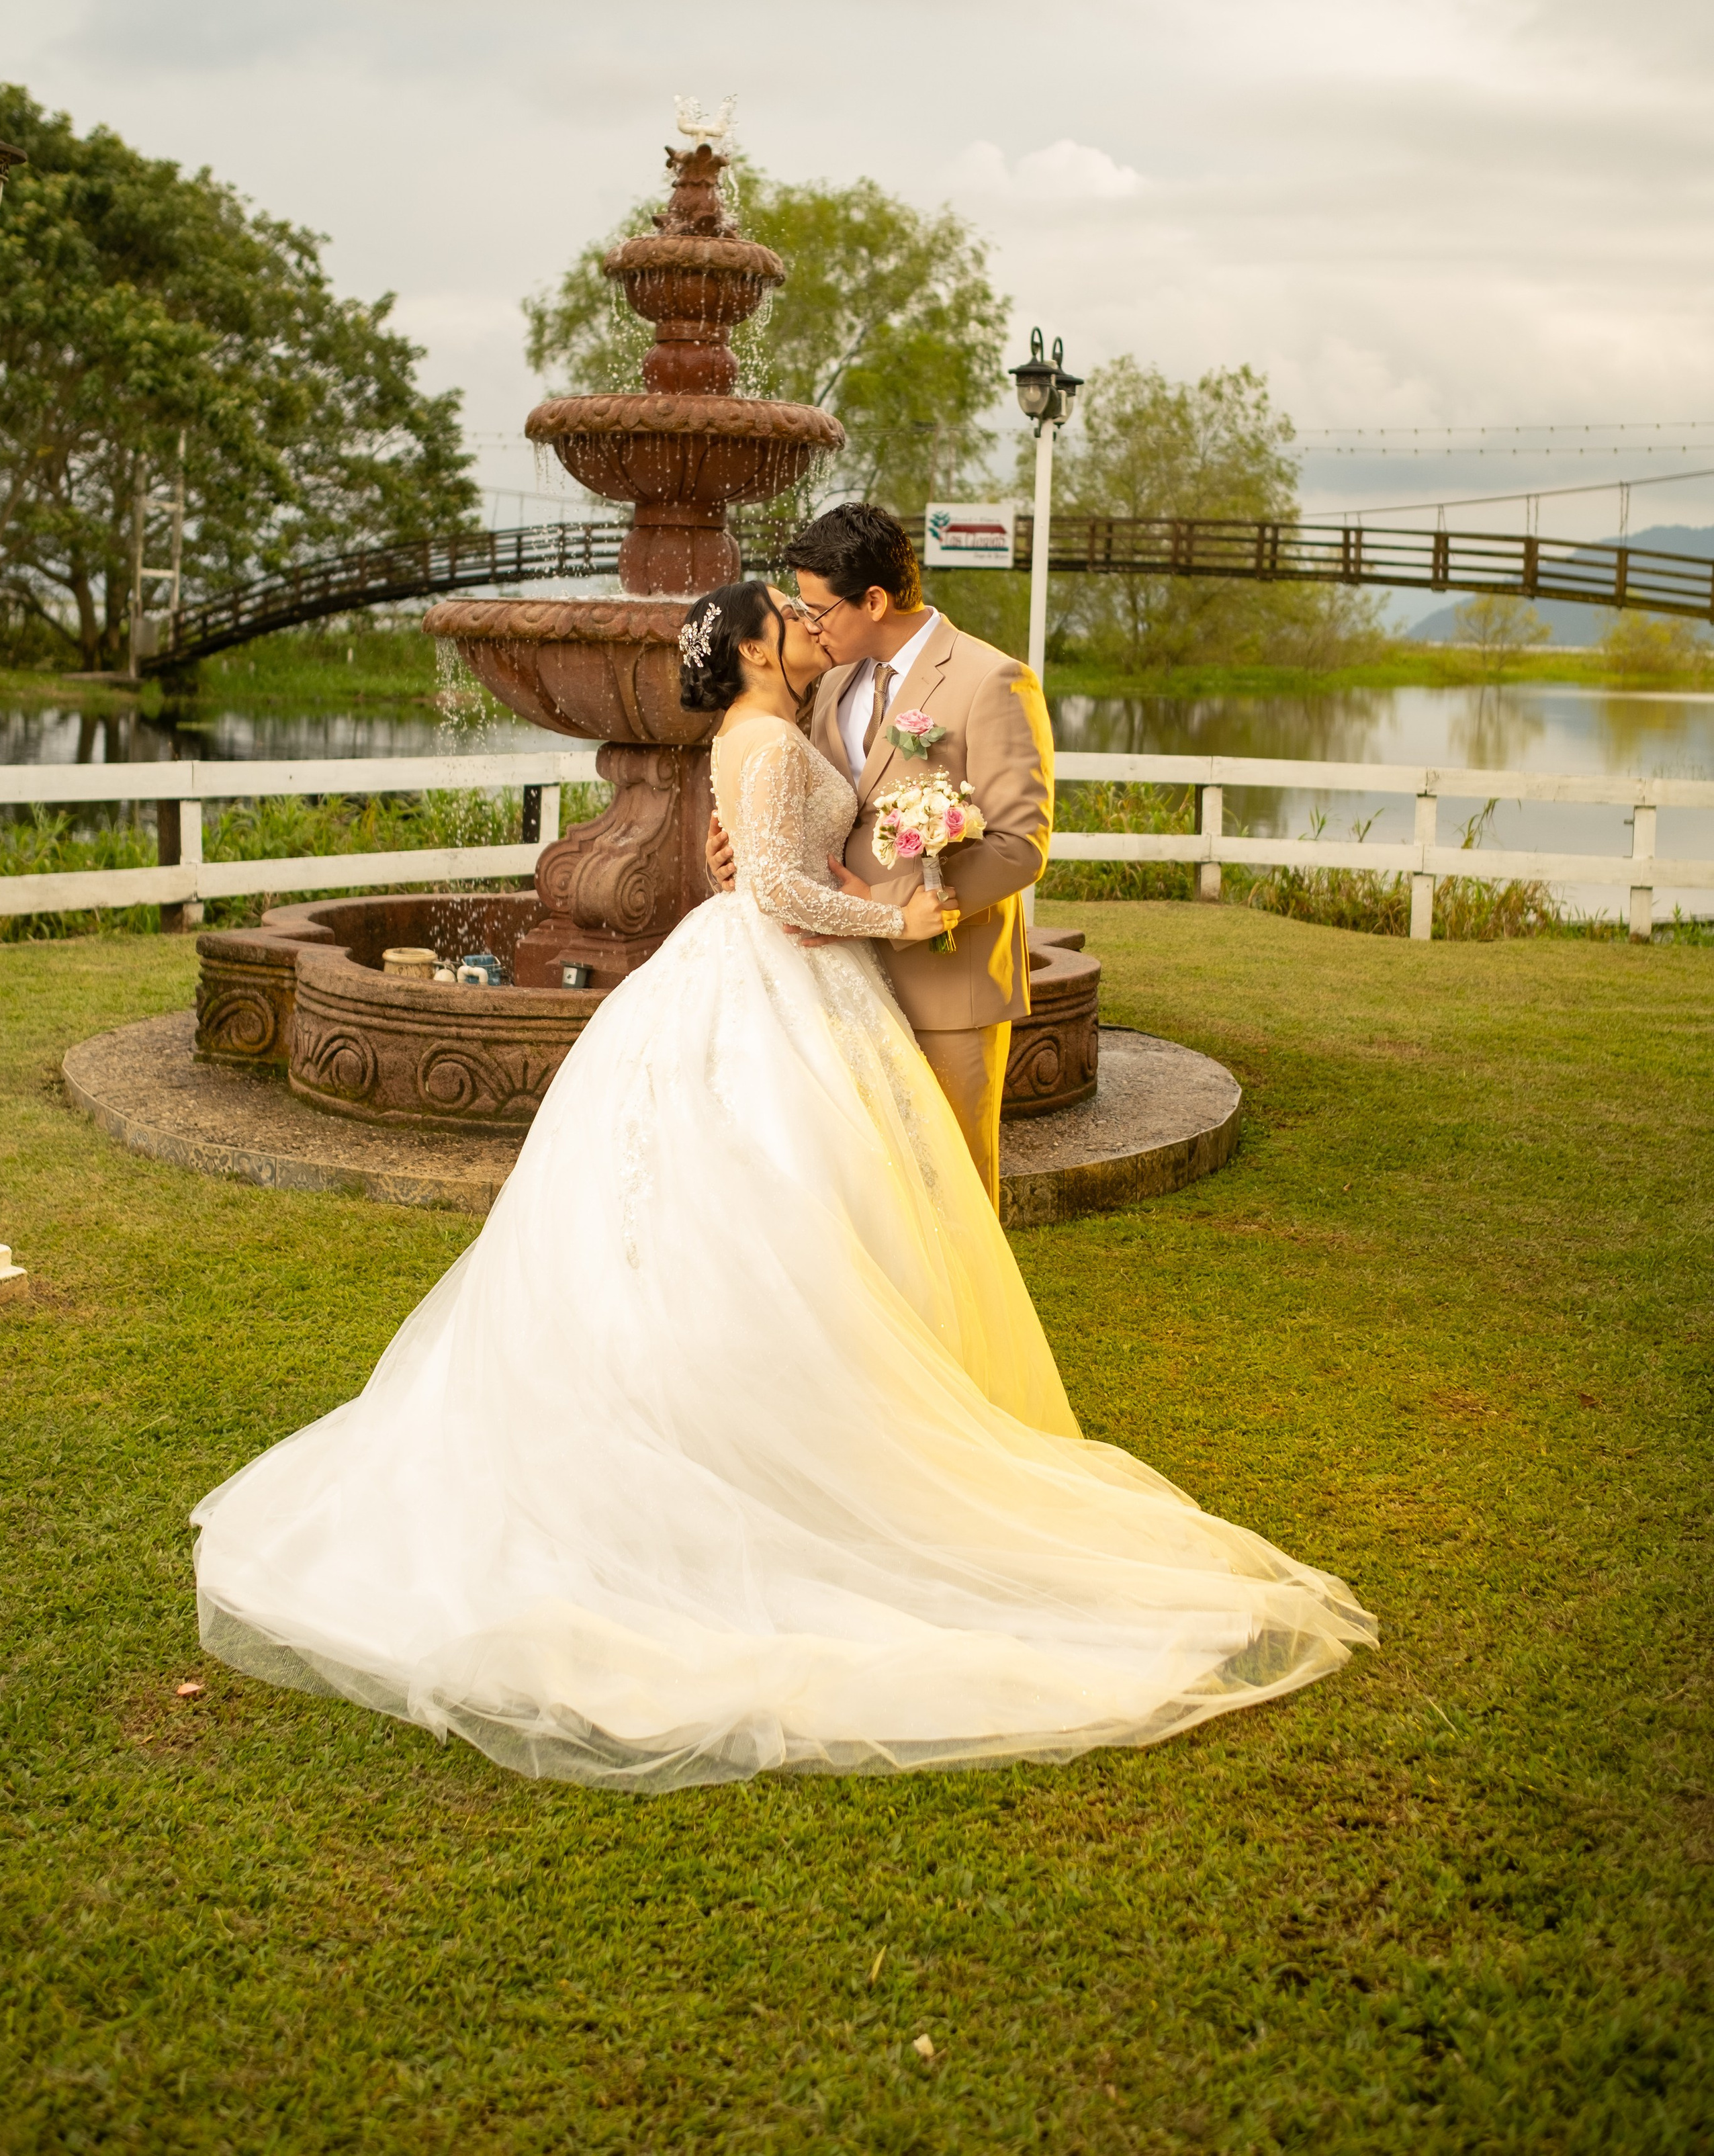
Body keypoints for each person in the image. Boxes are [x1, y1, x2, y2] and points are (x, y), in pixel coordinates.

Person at [191, 580, 1374, 1793]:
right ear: (755, 645)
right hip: (771, 977)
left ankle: (854, 1398)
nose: (810, 627)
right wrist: (899, 919)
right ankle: (777, 1427)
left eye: (817, 611)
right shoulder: (759, 738)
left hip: (789, 981)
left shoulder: (786, 728)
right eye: (789, 617)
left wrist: (870, 851)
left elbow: (764, 858)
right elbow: (774, 890)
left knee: (819, 1199)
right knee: (765, 1191)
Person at [707, 502, 1050, 1206]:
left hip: (946, 982)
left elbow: (1020, 846)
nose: (808, 624)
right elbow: (798, 805)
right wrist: (738, 860)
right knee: (870, 1202)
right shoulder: (833, 682)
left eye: (817, 609)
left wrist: (887, 907)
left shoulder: (991, 679)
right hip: (838, 982)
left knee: (954, 1194)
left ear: (874, 599)